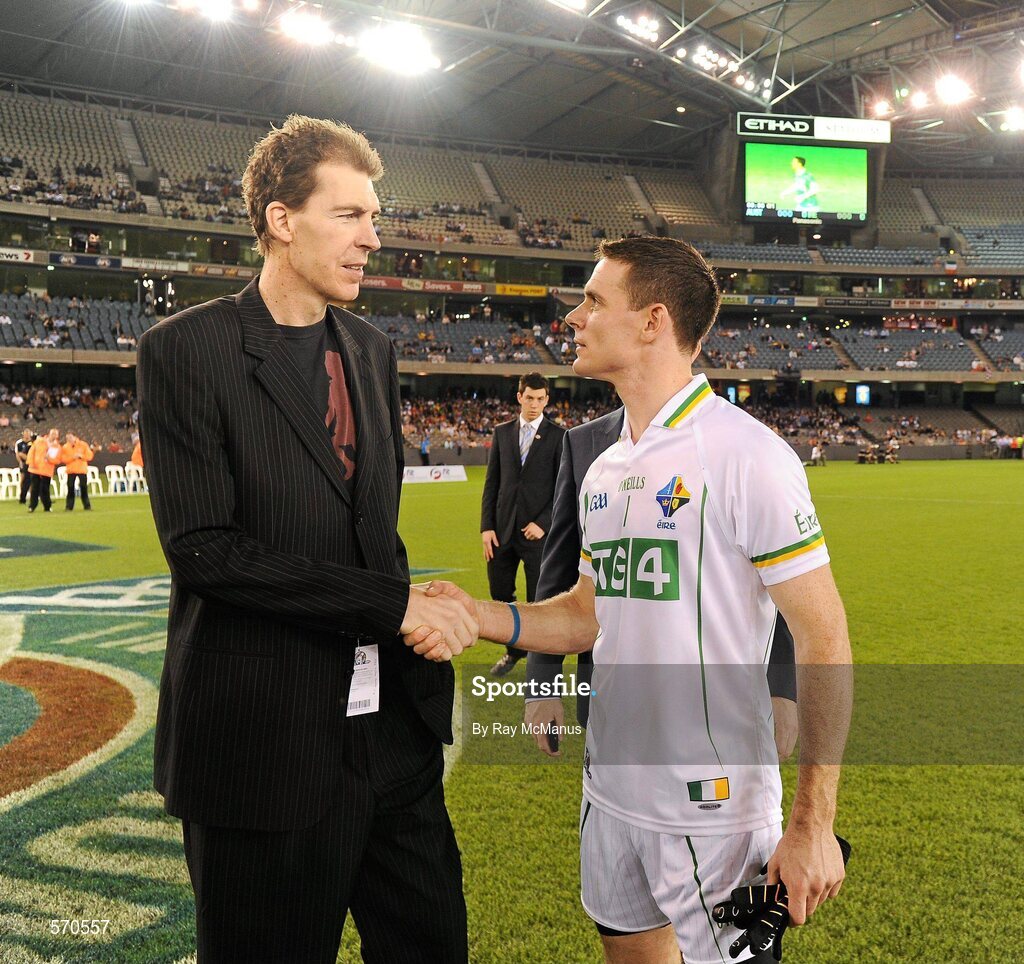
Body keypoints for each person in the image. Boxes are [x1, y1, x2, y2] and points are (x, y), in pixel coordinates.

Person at [409, 237, 851, 964]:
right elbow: (587, 614)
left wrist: (812, 821)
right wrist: (476, 615)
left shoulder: (747, 457)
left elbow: (824, 640)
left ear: (651, 321)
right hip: (610, 795)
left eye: (592, 300)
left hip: (712, 811)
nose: (575, 318)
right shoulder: (607, 467)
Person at [137, 115, 475, 964]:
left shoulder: (370, 348)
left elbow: (370, 526)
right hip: (264, 743)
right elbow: (205, 548)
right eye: (350, 216)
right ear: (282, 221)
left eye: (374, 216)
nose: (373, 238)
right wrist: (391, 603)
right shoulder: (186, 350)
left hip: (390, 732)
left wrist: (415, 613)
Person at [522, 410, 800, 763]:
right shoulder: (582, 442)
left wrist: (780, 686)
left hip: (711, 704)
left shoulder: (738, 442)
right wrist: (541, 685)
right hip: (608, 696)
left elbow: (773, 580)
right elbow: (559, 577)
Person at [480, 372, 565, 676]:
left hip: (537, 536)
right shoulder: (502, 432)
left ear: (546, 400)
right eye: (529, 397)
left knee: (539, 600)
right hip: (501, 532)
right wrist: (486, 527)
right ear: (519, 397)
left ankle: (539, 662)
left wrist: (543, 523)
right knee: (499, 592)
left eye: (540, 399)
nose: (534, 404)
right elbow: (492, 484)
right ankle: (514, 650)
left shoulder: (558, 436)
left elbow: (562, 487)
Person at [27, 427, 62, 512]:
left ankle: (47, 506)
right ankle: (32, 506)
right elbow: (31, 453)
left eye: (56, 434)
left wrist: (49, 458)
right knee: (34, 489)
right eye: (53, 433)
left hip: (47, 470)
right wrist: (31, 463)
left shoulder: (57, 447)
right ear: (49, 434)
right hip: (35, 469)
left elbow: (57, 460)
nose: (54, 436)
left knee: (45, 489)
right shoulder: (39, 441)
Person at [62, 431, 94, 511]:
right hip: (71, 470)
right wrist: (73, 457)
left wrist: (81, 456)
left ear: (74, 437)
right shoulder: (65, 447)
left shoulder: (83, 445)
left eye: (70, 437)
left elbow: (90, 456)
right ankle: (69, 506)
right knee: (70, 488)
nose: (68, 439)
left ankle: (87, 506)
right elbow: (63, 459)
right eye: (67, 438)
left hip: (81, 470)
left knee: (84, 488)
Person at [15, 428, 33, 504]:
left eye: (28, 433)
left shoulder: (33, 442)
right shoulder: (19, 443)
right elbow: (18, 454)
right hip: (24, 464)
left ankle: (33, 495)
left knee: (33, 480)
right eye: (25, 433)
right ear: (23, 434)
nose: (27, 435)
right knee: (23, 479)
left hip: (32, 464)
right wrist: (20, 462)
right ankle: (22, 495)